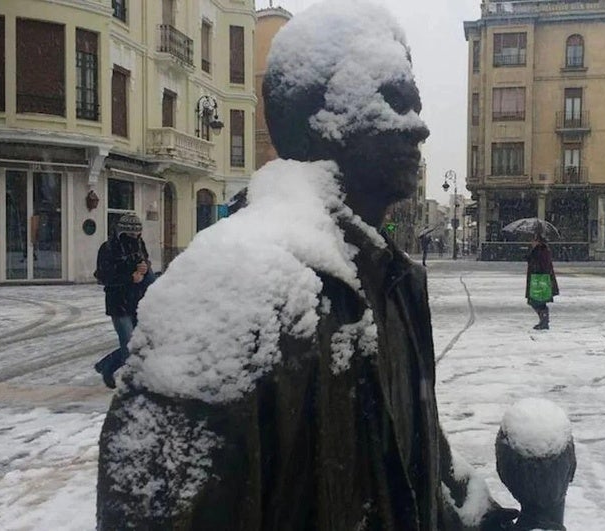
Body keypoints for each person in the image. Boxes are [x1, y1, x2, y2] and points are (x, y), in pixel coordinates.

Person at [96, 3, 518, 529]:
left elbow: (419, 466)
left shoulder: (398, 281)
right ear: (324, 122)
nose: (421, 126)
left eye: (416, 104)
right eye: (395, 102)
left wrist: (490, 520)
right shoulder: (235, 289)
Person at [93, 213, 154, 389]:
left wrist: (145, 268)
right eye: (131, 234)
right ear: (123, 232)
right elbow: (103, 275)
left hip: (136, 301)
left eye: (137, 234)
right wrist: (129, 277)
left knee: (138, 344)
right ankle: (129, 382)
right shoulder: (109, 248)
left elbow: (144, 264)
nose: (135, 237)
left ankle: (107, 365)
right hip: (118, 302)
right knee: (129, 345)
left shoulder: (139, 245)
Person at [526, 232, 559, 330]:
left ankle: (544, 320)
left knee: (537, 300)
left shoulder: (542, 250)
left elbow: (542, 264)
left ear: (538, 241)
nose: (532, 242)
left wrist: (533, 261)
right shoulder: (538, 250)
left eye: (534, 240)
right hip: (538, 278)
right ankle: (543, 320)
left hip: (540, 279)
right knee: (536, 300)